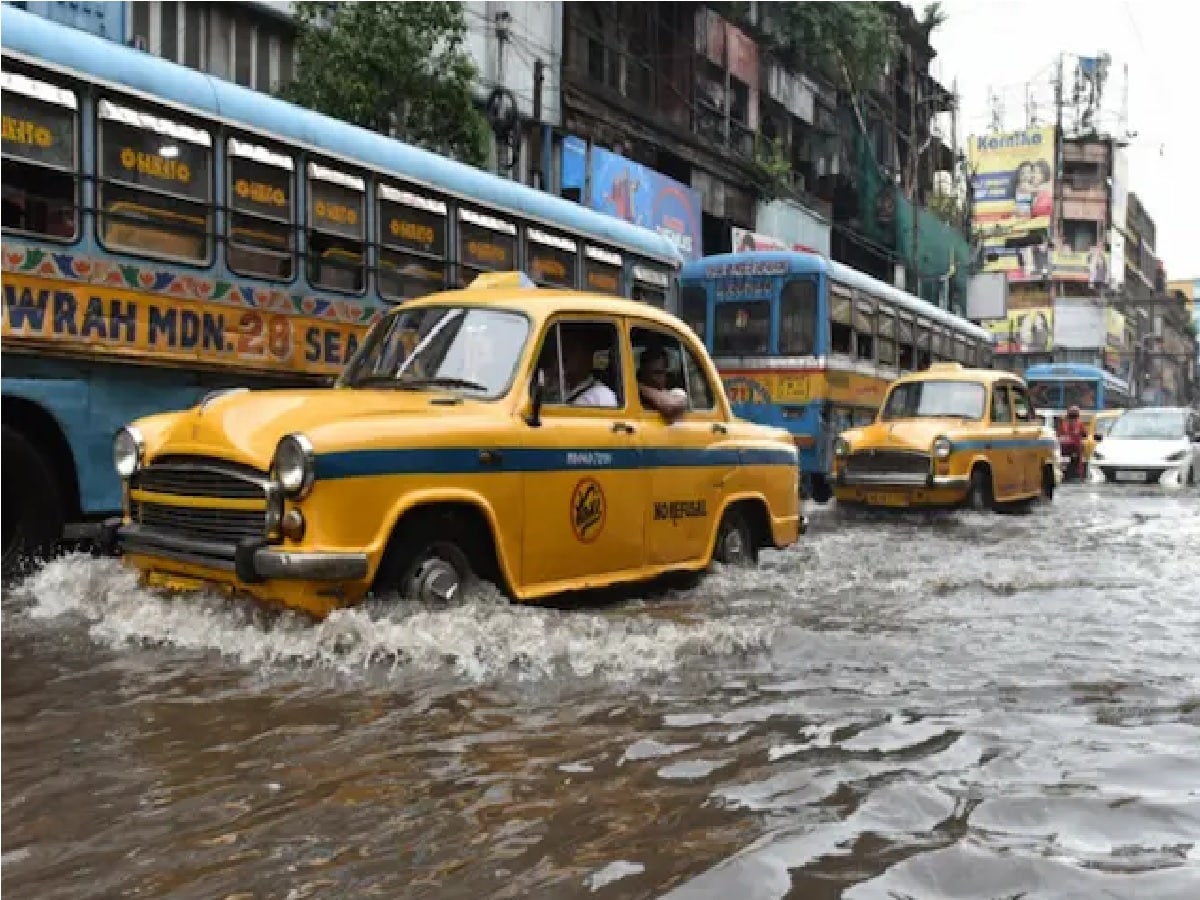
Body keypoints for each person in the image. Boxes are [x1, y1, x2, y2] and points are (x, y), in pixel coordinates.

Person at [562, 328, 619, 407]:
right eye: (563, 349)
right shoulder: (559, 391)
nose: (563, 356)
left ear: (587, 356)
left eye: (571, 349)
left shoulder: (601, 396)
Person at [636, 345, 688, 422]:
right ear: (642, 373)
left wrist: (639, 387)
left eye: (659, 373)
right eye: (650, 373)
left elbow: (672, 406)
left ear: (666, 374)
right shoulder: (630, 396)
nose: (654, 378)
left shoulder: (675, 393)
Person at [1058, 405, 1086, 480]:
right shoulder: (1077, 423)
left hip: (1068, 447)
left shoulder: (1065, 422)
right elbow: (1084, 433)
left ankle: (1076, 474)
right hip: (1070, 447)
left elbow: (1083, 433)